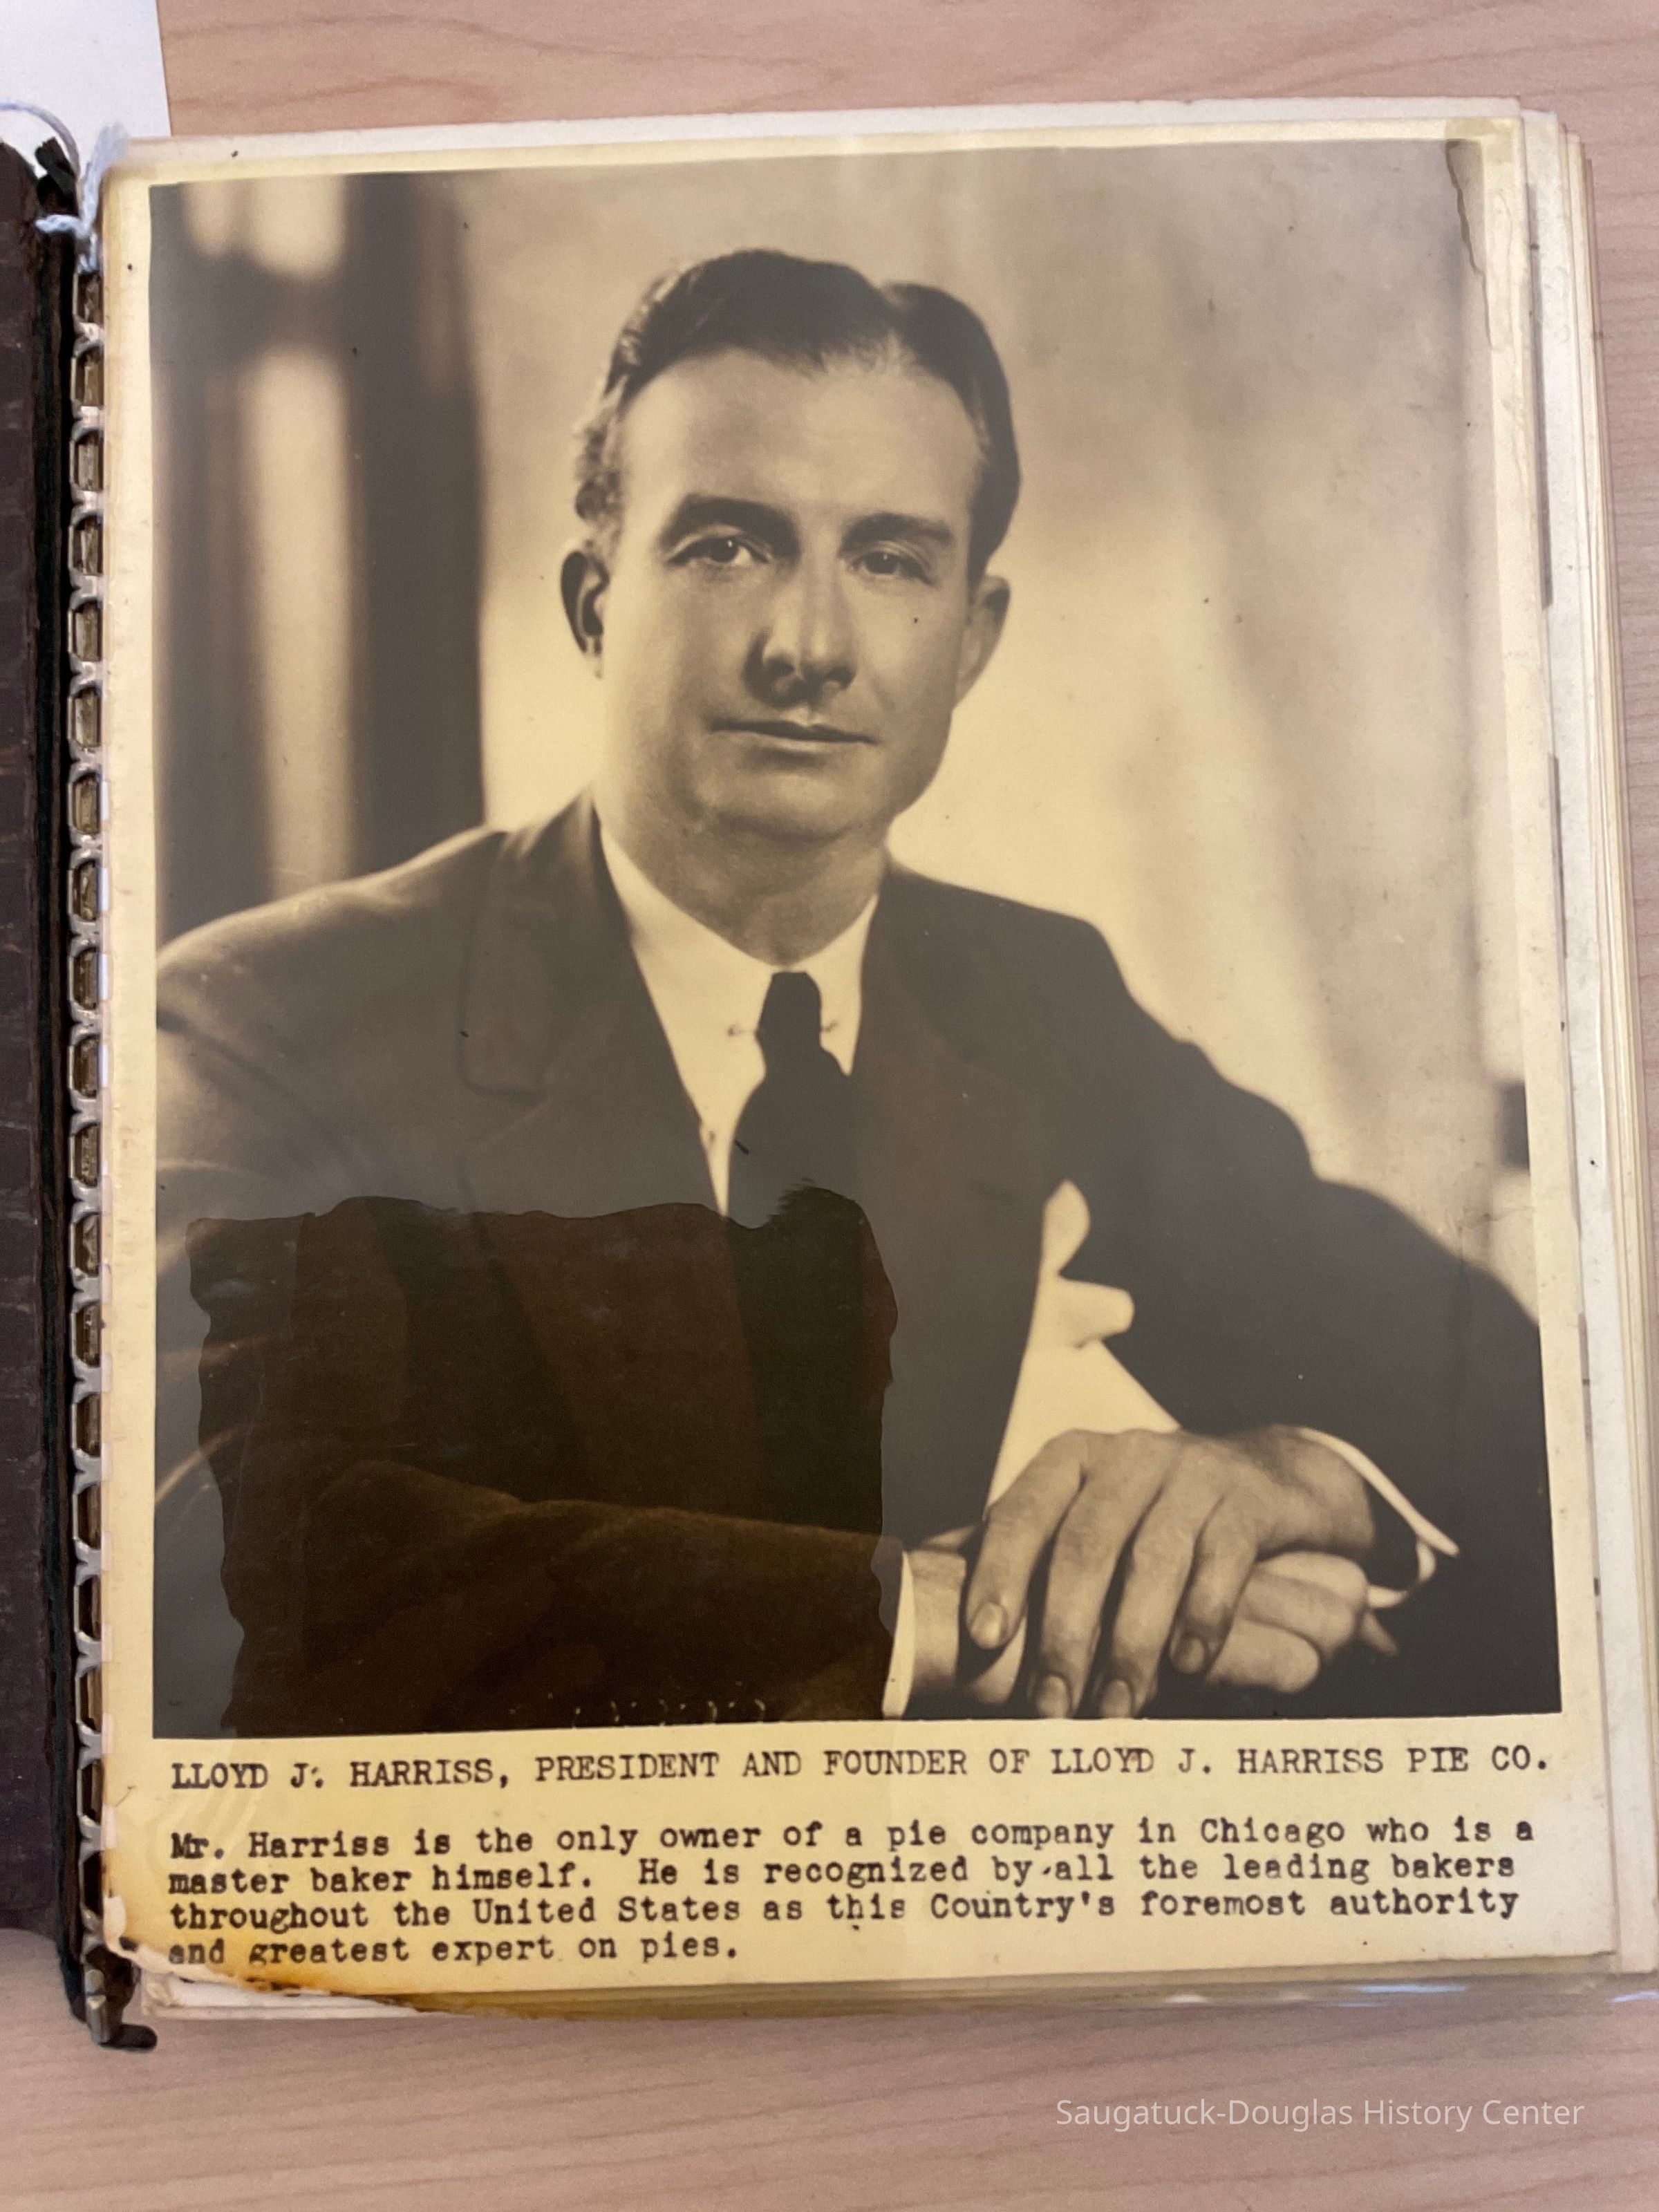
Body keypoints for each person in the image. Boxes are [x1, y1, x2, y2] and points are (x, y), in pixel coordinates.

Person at [154, 250, 1557, 1737]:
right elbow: (207, 1561)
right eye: (727, 546)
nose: (810, 649)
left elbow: (1504, 1379)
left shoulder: (1032, 994)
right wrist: (915, 1617)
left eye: (891, 560)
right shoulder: (271, 1016)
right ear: (592, 603)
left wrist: (1293, 1475)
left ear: (974, 637)